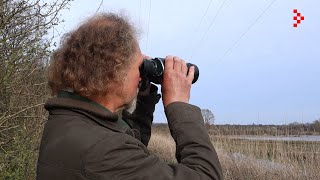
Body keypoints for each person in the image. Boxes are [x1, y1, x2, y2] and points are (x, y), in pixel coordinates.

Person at [37, 13, 223, 180]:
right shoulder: (103, 151)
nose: (140, 74)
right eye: (138, 67)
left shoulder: (70, 122)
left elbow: (130, 149)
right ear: (114, 71)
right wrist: (178, 104)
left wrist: (143, 96)